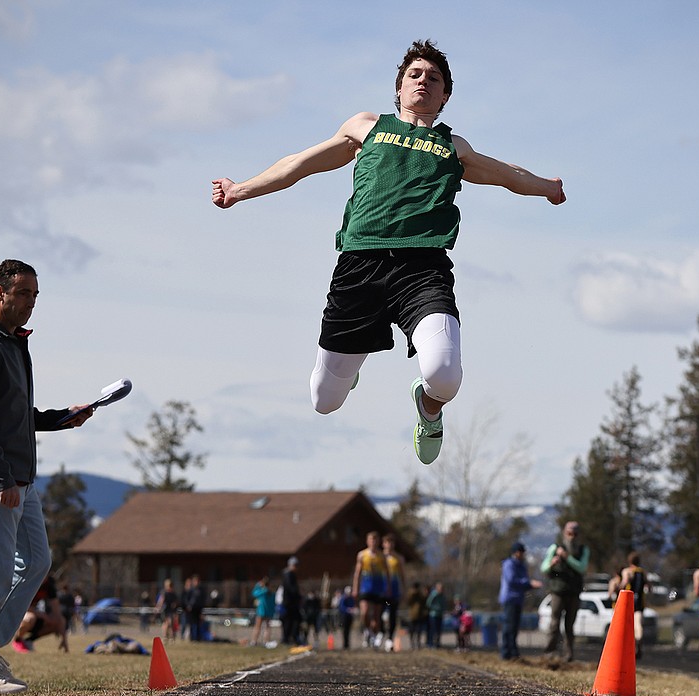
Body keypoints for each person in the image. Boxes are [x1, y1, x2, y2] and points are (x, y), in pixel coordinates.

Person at [211, 40, 565, 467]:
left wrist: (548, 187)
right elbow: (298, 164)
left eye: (434, 78)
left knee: (444, 375)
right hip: (359, 268)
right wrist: (240, 190)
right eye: (415, 75)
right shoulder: (366, 127)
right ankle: (352, 365)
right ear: (399, 88)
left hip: (422, 268)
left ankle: (429, 411)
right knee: (325, 401)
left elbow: (510, 175)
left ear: (444, 96)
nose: (423, 81)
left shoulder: (455, 148)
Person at [0, 258, 94, 695]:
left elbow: (15, 416)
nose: (31, 303)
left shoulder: (13, 345)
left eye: (35, 295)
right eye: (23, 294)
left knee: (35, 562)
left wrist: (61, 419)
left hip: (19, 476)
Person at [540, 521, 589, 662]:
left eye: (574, 534)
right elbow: (543, 568)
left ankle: (569, 654)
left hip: (574, 592)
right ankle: (550, 651)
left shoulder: (583, 550)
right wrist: (552, 563)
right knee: (554, 623)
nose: (572, 536)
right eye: (569, 533)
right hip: (557, 592)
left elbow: (582, 567)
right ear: (564, 533)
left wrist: (567, 557)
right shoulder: (554, 548)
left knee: (570, 625)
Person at [498, 542, 541, 661]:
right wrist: (528, 583)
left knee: (514, 627)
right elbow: (512, 580)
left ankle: (512, 652)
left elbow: (523, 581)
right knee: (509, 626)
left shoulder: (522, 565)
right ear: (516, 553)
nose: (522, 555)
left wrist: (530, 584)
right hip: (509, 598)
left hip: (518, 599)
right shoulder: (509, 564)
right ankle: (507, 652)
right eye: (521, 552)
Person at [11, 573, 69, 653]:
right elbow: (21, 606)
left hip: (36, 615)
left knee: (56, 621)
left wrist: (64, 640)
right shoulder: (28, 582)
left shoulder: (49, 586)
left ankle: (28, 641)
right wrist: (43, 616)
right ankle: (17, 640)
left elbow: (58, 614)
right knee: (30, 618)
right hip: (20, 615)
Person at [352, 532, 387, 648]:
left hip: (378, 589)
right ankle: (368, 631)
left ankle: (373, 636)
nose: (373, 542)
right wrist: (355, 588)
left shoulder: (382, 556)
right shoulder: (362, 555)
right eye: (371, 540)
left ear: (378, 542)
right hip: (365, 588)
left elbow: (387, 574)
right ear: (367, 541)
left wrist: (388, 588)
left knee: (376, 617)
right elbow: (357, 573)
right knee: (365, 612)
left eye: (375, 540)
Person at [619, 551, 647, 659]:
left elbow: (625, 582)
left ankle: (629, 645)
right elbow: (649, 586)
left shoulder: (627, 571)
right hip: (640, 601)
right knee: (638, 623)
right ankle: (639, 639)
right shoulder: (643, 572)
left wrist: (619, 588)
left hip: (629, 601)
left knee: (626, 625)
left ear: (629, 561)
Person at [381, 533, 407, 652]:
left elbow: (402, 575)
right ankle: (379, 633)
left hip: (394, 591)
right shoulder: (380, 557)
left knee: (392, 614)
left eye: (391, 542)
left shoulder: (399, 558)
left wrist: (403, 590)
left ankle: (390, 638)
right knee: (380, 613)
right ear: (383, 544)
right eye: (387, 542)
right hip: (381, 590)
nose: (389, 545)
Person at [281, 556, 302, 646]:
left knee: (295, 620)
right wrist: (297, 596)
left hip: (292, 602)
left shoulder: (291, 575)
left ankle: (292, 637)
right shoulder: (288, 575)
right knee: (289, 621)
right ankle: (287, 638)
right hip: (289, 603)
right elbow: (291, 588)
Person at [250, 576, 274, 646]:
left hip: (261, 611)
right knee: (267, 627)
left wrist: (258, 585)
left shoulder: (263, 591)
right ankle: (266, 641)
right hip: (269, 612)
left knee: (257, 627)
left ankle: (254, 641)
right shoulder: (271, 592)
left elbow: (254, 593)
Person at [405, 582, 428, 651]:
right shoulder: (411, 593)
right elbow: (408, 600)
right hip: (412, 615)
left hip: (419, 615)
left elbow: (424, 600)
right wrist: (415, 592)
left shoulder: (420, 594)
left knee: (418, 631)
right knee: (412, 630)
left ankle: (418, 643)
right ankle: (412, 643)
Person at [425, 581, 446, 649]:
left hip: (440, 615)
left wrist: (442, 609)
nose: (442, 590)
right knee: (433, 630)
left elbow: (443, 604)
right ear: (437, 588)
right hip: (433, 615)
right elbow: (428, 603)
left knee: (439, 630)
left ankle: (437, 643)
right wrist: (435, 608)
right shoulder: (433, 595)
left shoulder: (442, 595)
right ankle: (430, 643)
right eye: (440, 588)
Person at [337, 585, 357, 650]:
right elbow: (341, 607)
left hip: (350, 616)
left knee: (348, 631)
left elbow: (353, 605)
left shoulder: (351, 599)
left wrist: (353, 609)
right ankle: (345, 644)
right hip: (344, 616)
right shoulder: (343, 598)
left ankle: (347, 644)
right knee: (344, 631)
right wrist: (348, 609)